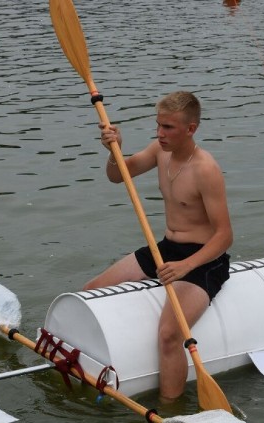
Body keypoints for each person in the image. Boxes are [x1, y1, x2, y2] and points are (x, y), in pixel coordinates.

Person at [85, 91, 233, 402]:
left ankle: (170, 408)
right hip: (163, 248)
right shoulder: (159, 151)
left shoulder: (206, 169)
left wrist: (185, 266)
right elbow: (117, 176)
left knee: (169, 334)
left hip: (203, 260)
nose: (159, 134)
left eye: (168, 128)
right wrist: (115, 151)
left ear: (190, 129)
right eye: (158, 125)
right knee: (92, 291)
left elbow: (224, 236)